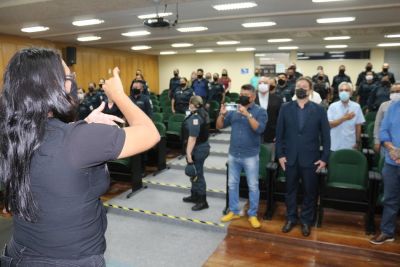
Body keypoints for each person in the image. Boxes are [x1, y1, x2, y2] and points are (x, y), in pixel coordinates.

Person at [0, 48, 160, 266]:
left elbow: (48, 141)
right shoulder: (77, 140)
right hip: (70, 260)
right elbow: (150, 133)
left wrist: (80, 127)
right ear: (50, 84)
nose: (72, 83)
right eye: (67, 78)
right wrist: (119, 95)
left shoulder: (11, 134)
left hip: (19, 254)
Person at [276, 78, 330, 237]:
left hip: (311, 159)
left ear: (310, 90)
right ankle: (291, 218)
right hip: (289, 159)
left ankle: (306, 221)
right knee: (290, 191)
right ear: (294, 88)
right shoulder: (285, 108)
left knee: (310, 192)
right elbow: (279, 135)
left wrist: (324, 157)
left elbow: (326, 136)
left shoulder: (319, 110)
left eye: (304, 87)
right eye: (298, 86)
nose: (301, 88)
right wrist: (280, 155)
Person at [217, 84, 268, 229]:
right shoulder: (234, 111)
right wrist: (221, 114)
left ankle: (252, 214)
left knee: (253, 186)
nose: (242, 96)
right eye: (241, 93)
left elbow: (259, 129)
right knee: (232, 184)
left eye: (245, 94)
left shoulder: (260, 111)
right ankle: (234, 211)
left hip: (250, 156)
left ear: (253, 96)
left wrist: (248, 115)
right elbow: (219, 126)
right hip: (233, 154)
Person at [369, 96, 400, 245]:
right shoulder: (394, 106)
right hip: (391, 161)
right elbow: (384, 129)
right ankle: (387, 232)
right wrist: (390, 148)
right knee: (390, 199)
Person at [182, 96, 211, 211]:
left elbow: (192, 138)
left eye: (190, 102)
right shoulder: (202, 112)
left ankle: (203, 201)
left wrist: (188, 154)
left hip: (197, 148)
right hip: (200, 146)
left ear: (193, 104)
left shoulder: (196, 117)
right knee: (194, 173)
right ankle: (194, 195)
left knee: (198, 174)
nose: (189, 104)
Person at [328, 82, 365, 151]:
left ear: (351, 93)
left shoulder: (356, 107)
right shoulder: (332, 106)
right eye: (341, 90)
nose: (343, 92)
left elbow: (358, 126)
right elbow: (330, 125)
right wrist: (344, 118)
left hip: (350, 144)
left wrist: (357, 141)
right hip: (335, 144)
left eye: (346, 90)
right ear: (338, 93)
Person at [255, 76, 283, 160]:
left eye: (265, 83)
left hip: (271, 134)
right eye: (260, 83)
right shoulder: (252, 99)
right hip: (254, 134)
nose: (262, 85)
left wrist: (279, 134)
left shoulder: (277, 99)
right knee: (255, 159)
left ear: (269, 85)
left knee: (270, 159)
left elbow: (281, 118)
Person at [373, 83, 400, 154]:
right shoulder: (384, 105)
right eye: (392, 92)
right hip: (386, 145)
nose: (395, 94)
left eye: (398, 91)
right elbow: (378, 124)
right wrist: (377, 141)